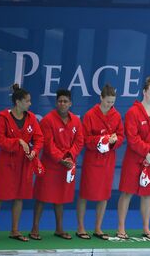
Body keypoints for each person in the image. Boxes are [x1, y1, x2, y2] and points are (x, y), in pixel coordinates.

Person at [117, 76, 150, 240]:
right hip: (134, 159)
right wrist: (147, 151)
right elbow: (132, 138)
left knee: (148, 194)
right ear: (144, 92)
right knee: (127, 192)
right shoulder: (133, 112)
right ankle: (121, 228)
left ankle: (146, 228)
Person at [0, 84, 43, 242]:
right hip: (7, 164)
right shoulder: (3, 118)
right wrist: (18, 141)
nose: (30, 103)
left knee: (19, 197)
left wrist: (34, 151)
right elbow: (0, 140)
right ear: (18, 102)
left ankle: (15, 230)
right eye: (27, 101)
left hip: (25, 164)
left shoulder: (31, 117)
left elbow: (39, 138)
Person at [30, 89, 85, 240]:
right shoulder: (48, 120)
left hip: (66, 165)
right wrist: (61, 158)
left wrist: (70, 156)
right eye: (60, 101)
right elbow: (48, 145)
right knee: (42, 197)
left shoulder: (76, 120)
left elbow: (79, 141)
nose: (62, 104)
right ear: (56, 103)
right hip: (50, 165)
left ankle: (59, 229)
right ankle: (34, 229)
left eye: (65, 101)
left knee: (60, 198)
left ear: (70, 103)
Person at [76, 84, 124, 240]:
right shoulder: (90, 115)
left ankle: (98, 227)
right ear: (101, 98)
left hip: (108, 160)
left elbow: (121, 137)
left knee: (104, 195)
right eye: (107, 102)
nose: (110, 105)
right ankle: (81, 227)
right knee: (85, 193)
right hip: (92, 159)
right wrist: (103, 139)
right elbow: (85, 139)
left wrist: (114, 141)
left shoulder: (116, 116)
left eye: (112, 102)